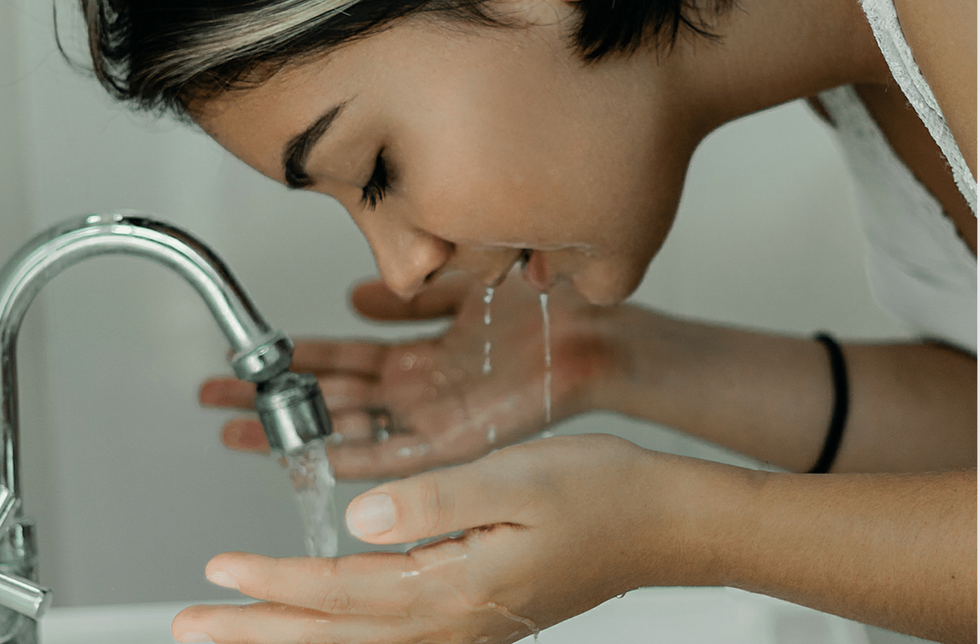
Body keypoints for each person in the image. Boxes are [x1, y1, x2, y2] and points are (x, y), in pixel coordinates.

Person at [79, 0, 976, 642]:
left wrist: (675, 527)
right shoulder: (855, 73)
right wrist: (614, 360)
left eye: (378, 169)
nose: (402, 270)